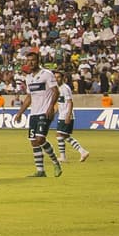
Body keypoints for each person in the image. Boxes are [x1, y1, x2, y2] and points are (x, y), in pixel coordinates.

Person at [15, 49, 63, 178]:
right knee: (33, 142)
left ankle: (55, 162)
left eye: (33, 60)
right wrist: (20, 112)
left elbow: (56, 91)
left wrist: (50, 108)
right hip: (34, 113)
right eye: (28, 61)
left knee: (40, 139)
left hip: (45, 111)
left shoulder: (47, 74)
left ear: (38, 61)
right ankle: (40, 170)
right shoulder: (28, 78)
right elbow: (29, 97)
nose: (30, 63)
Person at [54, 70, 89, 163]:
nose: (56, 79)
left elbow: (70, 102)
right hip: (62, 114)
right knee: (64, 136)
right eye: (55, 77)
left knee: (59, 135)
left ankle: (64, 156)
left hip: (66, 115)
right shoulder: (58, 88)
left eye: (58, 77)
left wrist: (68, 115)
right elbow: (59, 103)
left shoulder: (65, 88)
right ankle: (82, 151)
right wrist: (54, 113)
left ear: (63, 78)